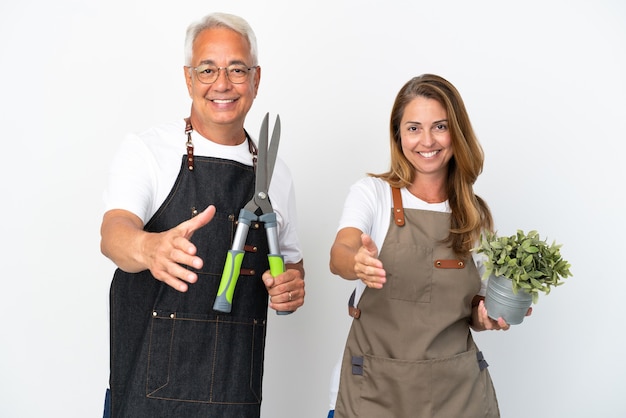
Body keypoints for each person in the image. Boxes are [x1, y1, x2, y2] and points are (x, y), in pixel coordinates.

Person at [100, 12, 305, 418]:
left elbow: (294, 267)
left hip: (236, 398)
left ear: (256, 79)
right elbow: (113, 235)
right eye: (208, 69)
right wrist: (148, 247)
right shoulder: (148, 150)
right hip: (145, 396)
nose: (222, 84)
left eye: (237, 70)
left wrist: (292, 288)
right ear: (189, 79)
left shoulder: (275, 172)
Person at [327, 74, 528, 418]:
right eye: (413, 128)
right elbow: (340, 252)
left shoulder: (473, 214)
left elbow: (474, 308)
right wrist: (356, 261)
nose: (426, 140)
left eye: (439, 126)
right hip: (373, 391)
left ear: (457, 133)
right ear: (398, 135)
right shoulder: (372, 194)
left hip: (457, 395)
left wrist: (487, 316)